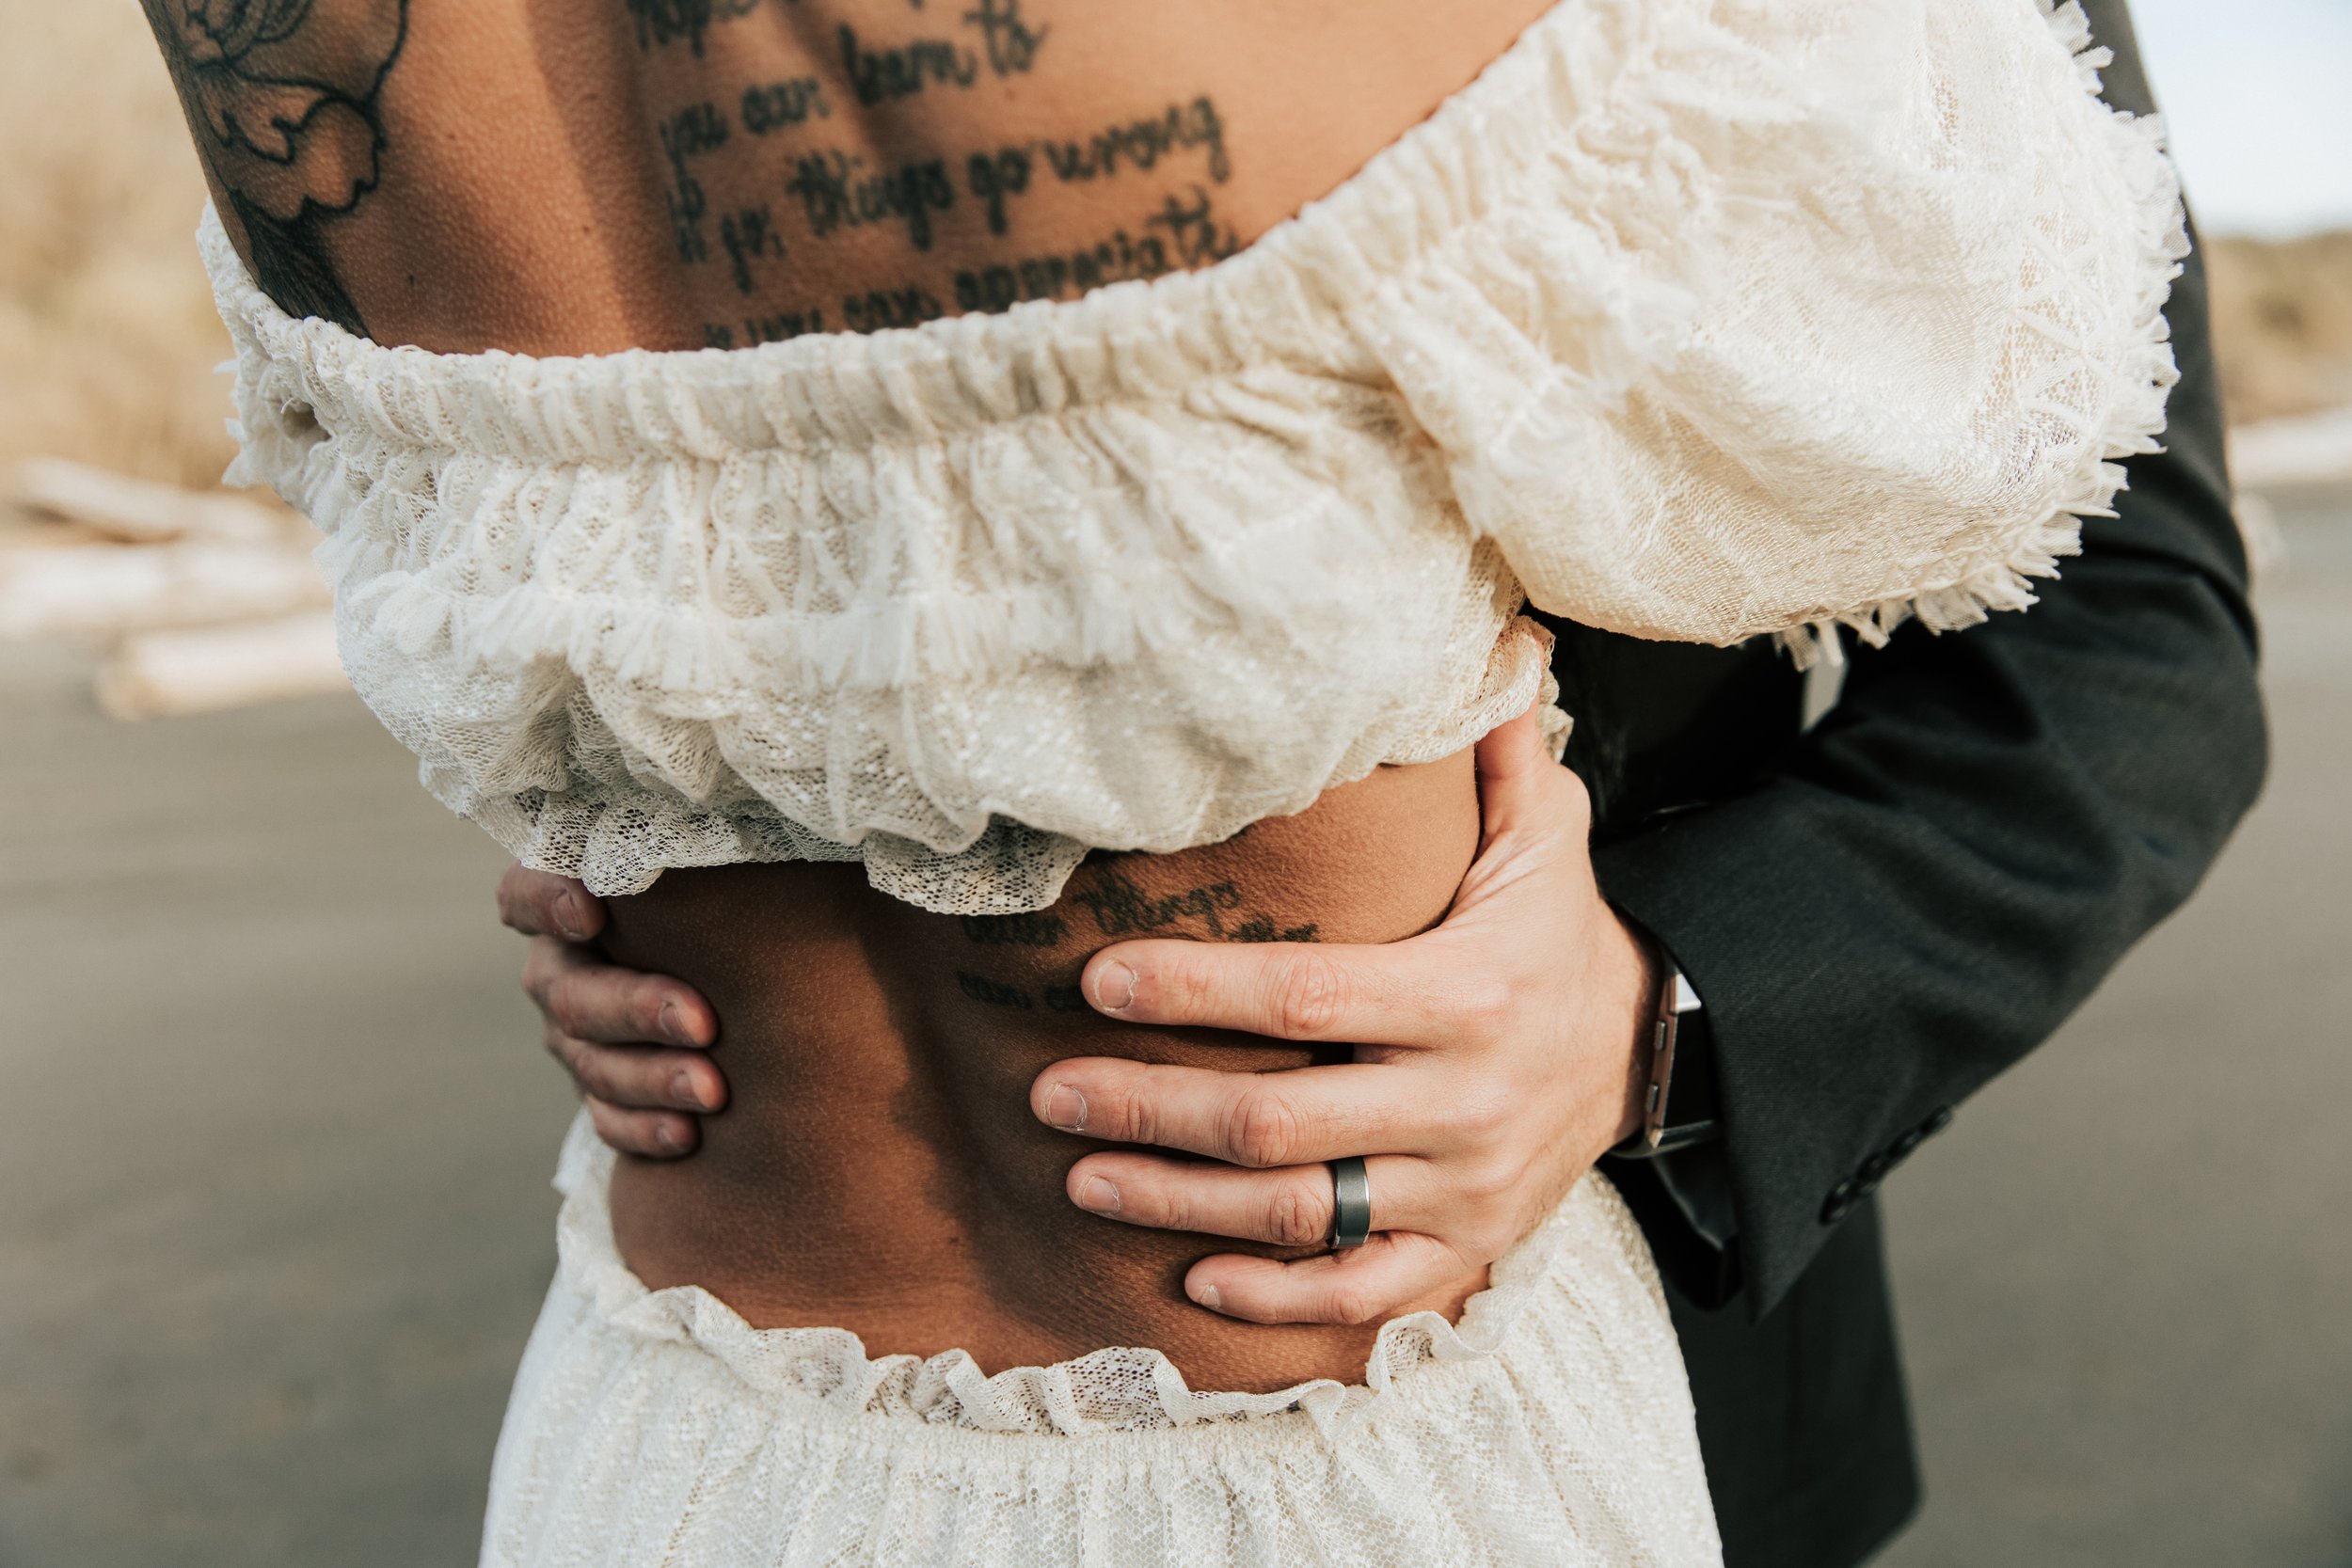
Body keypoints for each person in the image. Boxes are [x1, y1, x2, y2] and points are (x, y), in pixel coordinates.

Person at [150, 0, 2229, 1562]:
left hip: (677, 1450)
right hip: (1366, 1465)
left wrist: (1650, 1022)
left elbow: (2132, 648)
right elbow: (2003, 375)